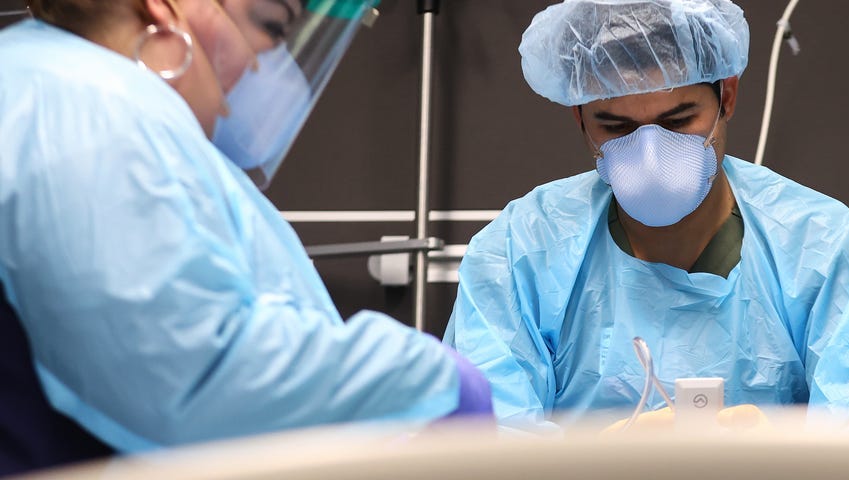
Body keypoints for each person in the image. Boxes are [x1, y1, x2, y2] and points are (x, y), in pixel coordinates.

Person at [0, 0, 490, 474]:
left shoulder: (66, 93)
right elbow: (187, 375)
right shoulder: (87, 110)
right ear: (161, 5)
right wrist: (425, 381)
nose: (275, 71)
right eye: (273, 27)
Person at [445, 0, 849, 434]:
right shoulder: (521, 252)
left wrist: (780, 458)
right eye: (615, 126)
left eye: (678, 121)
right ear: (579, 117)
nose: (650, 153)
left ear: (726, 96)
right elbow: (484, 444)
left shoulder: (822, 246)